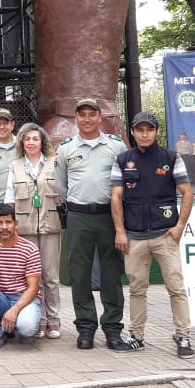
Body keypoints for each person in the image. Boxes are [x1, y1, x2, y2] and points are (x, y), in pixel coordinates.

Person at [111, 112, 195, 358]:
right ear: (133, 132)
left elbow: (187, 192)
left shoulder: (171, 157)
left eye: (149, 129)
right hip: (134, 236)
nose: (145, 134)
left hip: (164, 235)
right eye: (140, 129)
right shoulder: (123, 159)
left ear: (157, 131)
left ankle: (183, 336)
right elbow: (116, 197)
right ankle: (136, 336)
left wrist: (180, 226)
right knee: (137, 290)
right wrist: (120, 231)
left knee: (176, 288)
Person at [55, 98, 127, 351]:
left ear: (100, 117)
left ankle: (113, 329)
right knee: (80, 273)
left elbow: (124, 181)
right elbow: (60, 184)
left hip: (109, 215)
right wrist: (78, 202)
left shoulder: (116, 146)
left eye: (92, 114)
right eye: (82, 114)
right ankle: (85, 328)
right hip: (79, 216)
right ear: (76, 118)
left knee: (111, 272)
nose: (87, 119)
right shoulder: (66, 148)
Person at [4, 123, 63, 339]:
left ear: (42, 142)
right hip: (25, 229)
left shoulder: (55, 163)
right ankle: (39, 320)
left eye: (35, 139)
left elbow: (64, 193)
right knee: (31, 277)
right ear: (21, 142)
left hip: (51, 226)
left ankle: (53, 320)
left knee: (51, 276)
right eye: (27, 139)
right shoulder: (15, 166)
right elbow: (10, 200)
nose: (31, 143)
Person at [0, 204, 42, 348]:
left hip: (24, 299)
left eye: (8, 222)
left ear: (16, 224)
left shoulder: (29, 248)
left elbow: (33, 288)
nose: (4, 227)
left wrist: (14, 310)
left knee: (27, 328)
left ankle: (19, 327)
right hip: (1, 299)